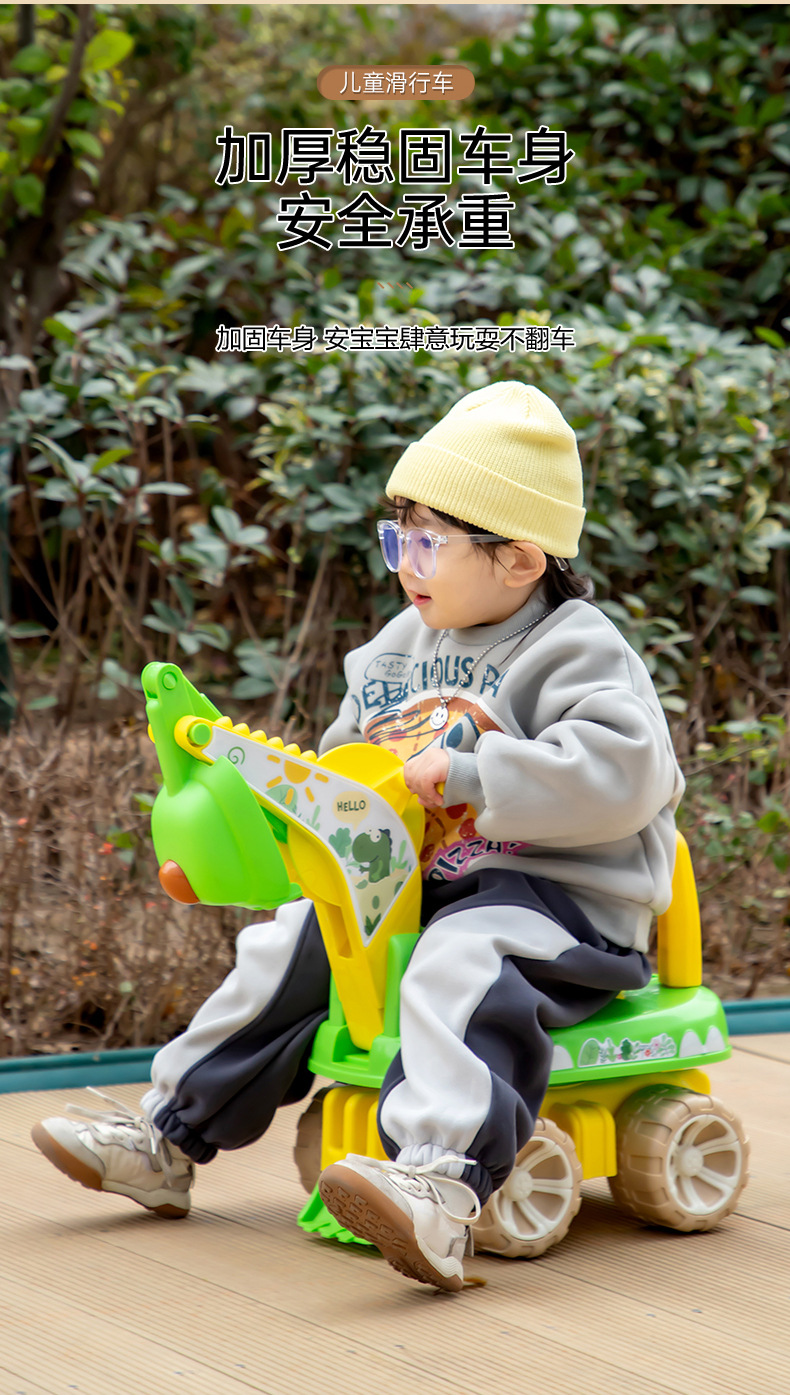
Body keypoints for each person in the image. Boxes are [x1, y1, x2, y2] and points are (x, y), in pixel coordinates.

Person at [32, 381, 685, 1293]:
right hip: (413, 884)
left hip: (562, 904)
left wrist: (474, 774)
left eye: (428, 542)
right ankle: (167, 1134)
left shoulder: (577, 650)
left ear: (519, 560)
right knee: (295, 937)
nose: (404, 563)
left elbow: (627, 773)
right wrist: (249, 855)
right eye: (397, 537)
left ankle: (442, 1183)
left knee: (463, 955)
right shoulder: (395, 651)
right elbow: (339, 794)